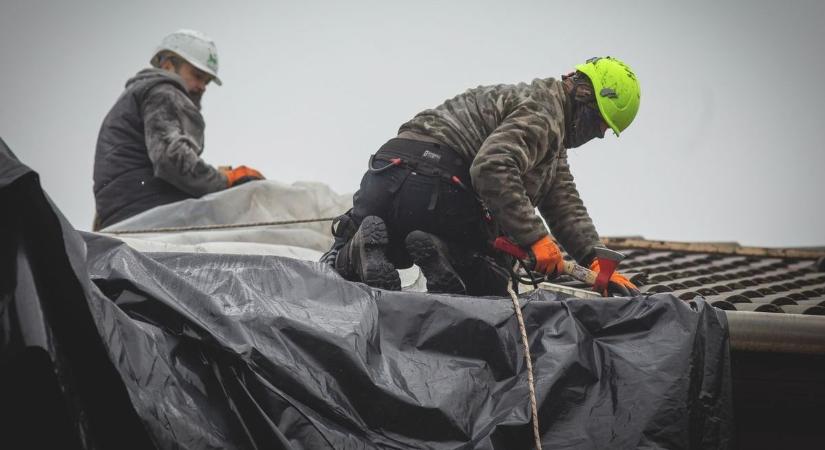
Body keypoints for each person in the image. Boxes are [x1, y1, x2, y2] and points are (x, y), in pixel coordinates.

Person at [322, 56, 641, 296]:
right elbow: (491, 168)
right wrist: (536, 239)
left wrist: (595, 258)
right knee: (491, 280)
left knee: (383, 252)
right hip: (441, 191)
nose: (598, 136)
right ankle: (449, 259)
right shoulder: (545, 115)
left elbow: (563, 202)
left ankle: (357, 249)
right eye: (600, 125)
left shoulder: (541, 122)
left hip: (385, 176)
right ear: (584, 99)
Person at [93, 29, 264, 230]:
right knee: (252, 224)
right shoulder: (163, 92)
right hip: (151, 210)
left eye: (207, 81)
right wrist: (226, 181)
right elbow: (171, 159)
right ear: (167, 66)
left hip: (122, 213)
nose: (202, 87)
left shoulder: (136, 97)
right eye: (197, 76)